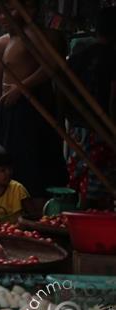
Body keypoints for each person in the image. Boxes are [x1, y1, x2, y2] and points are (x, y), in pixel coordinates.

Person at [0, 0, 68, 198]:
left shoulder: (45, 37)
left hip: (34, 108)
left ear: (28, 10)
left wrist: (22, 88)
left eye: (10, 11)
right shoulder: (0, 43)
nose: (3, 17)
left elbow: (52, 65)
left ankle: (38, 209)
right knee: (4, 163)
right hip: (6, 112)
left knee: (35, 166)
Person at [66, 6, 116, 209]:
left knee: (83, 174)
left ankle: (84, 212)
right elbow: (113, 97)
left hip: (79, 125)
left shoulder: (79, 55)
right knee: (99, 177)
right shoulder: (110, 57)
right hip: (100, 127)